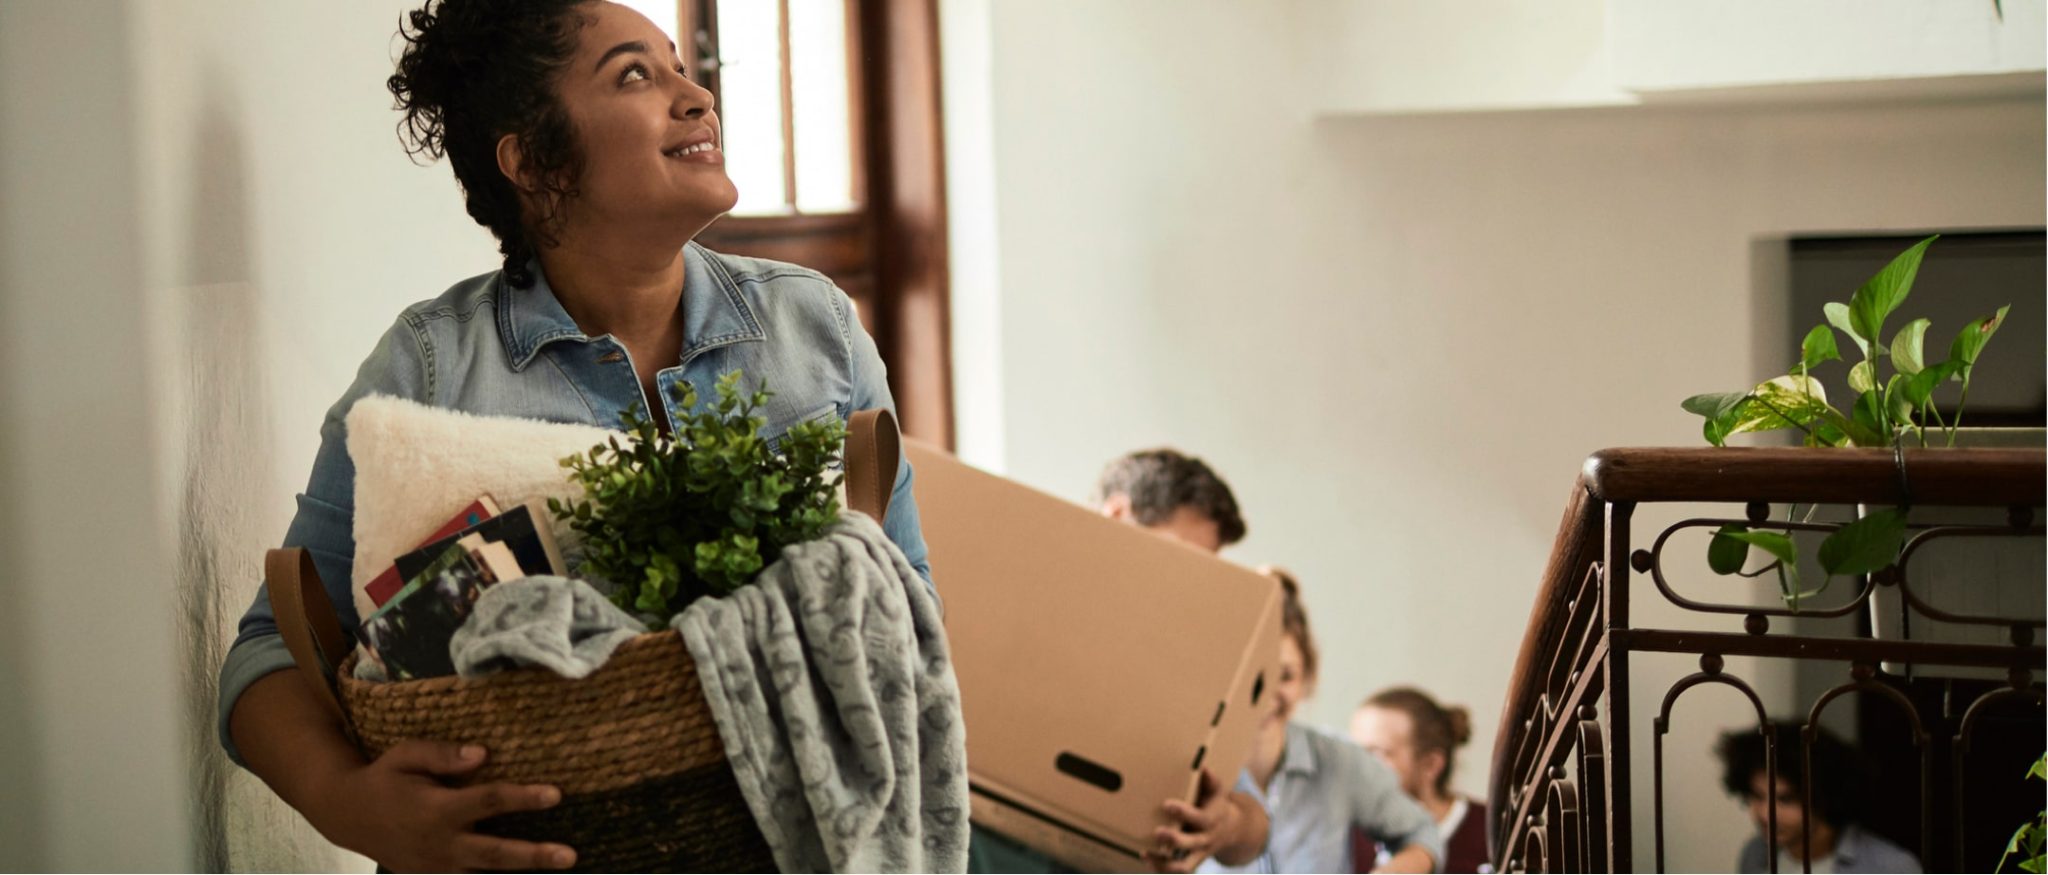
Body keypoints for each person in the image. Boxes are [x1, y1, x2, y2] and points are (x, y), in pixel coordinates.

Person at [214, 2, 934, 870]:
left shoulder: (814, 325)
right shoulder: (432, 367)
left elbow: (907, 607)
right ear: (534, 159)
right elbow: (266, 651)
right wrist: (353, 807)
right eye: (636, 74)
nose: (695, 94)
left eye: (680, 65)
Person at [969, 447, 1268, 873]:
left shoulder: (1185, 663)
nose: (1190, 587)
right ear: (1115, 515)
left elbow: (1254, 822)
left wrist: (1229, 824)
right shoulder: (1005, 594)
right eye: (1182, 559)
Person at [1200, 570, 1441, 874]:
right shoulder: (1195, 762)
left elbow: (1422, 833)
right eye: (1256, 677)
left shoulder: (1339, 760)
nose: (1268, 696)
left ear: (1307, 678)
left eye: (1286, 676)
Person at [1717, 723, 1922, 874]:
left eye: (1786, 800)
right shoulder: (1756, 853)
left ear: (1824, 797)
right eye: (1757, 796)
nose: (1764, 813)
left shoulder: (1889, 866)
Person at [1351, 687, 1492, 873]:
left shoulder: (1494, 833)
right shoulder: (1344, 834)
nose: (1355, 767)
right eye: (1353, 752)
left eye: (1376, 753)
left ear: (1431, 765)